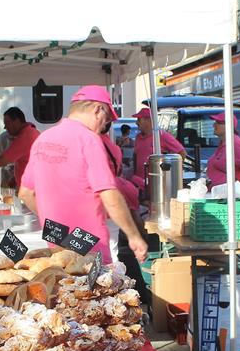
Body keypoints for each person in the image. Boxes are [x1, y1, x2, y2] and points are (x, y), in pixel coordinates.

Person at [18, 86, 147, 265]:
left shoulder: (43, 138)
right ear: (97, 110)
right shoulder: (88, 139)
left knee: (67, 289)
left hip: (57, 241)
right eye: (106, 118)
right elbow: (109, 194)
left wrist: (54, 224)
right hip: (90, 243)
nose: (104, 125)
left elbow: (25, 193)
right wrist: (134, 236)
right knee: (99, 290)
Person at [131, 106, 185, 189]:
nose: (136, 123)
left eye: (139, 119)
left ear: (148, 120)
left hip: (156, 183)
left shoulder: (161, 136)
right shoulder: (138, 137)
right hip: (138, 182)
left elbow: (181, 152)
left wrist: (173, 173)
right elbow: (136, 157)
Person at [205, 111, 240, 187]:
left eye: (218, 122)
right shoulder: (224, 143)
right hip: (219, 193)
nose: (214, 125)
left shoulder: (234, 142)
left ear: (228, 125)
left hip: (229, 194)